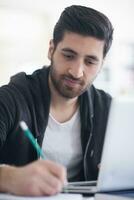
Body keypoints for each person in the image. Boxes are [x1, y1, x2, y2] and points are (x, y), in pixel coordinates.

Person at [0, 5, 113, 196]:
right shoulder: (10, 99)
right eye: (69, 56)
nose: (76, 71)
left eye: (90, 61)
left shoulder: (109, 109)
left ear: (102, 63)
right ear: (51, 49)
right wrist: (9, 177)